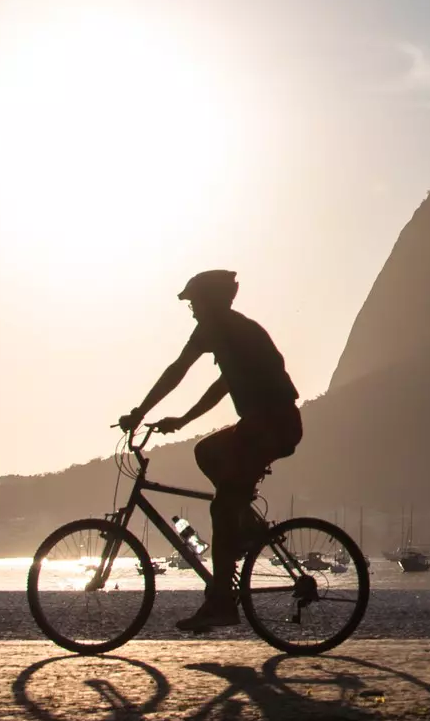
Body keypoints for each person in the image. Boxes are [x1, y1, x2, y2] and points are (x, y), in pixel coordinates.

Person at [119, 269, 303, 632]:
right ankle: (244, 525)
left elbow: (177, 371)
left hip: (271, 424)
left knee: (221, 507)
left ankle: (222, 603)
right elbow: (223, 384)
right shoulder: (228, 331)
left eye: (194, 302)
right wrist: (184, 419)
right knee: (206, 452)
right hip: (262, 424)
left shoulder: (228, 329)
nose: (191, 309)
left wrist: (141, 411)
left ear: (213, 301)